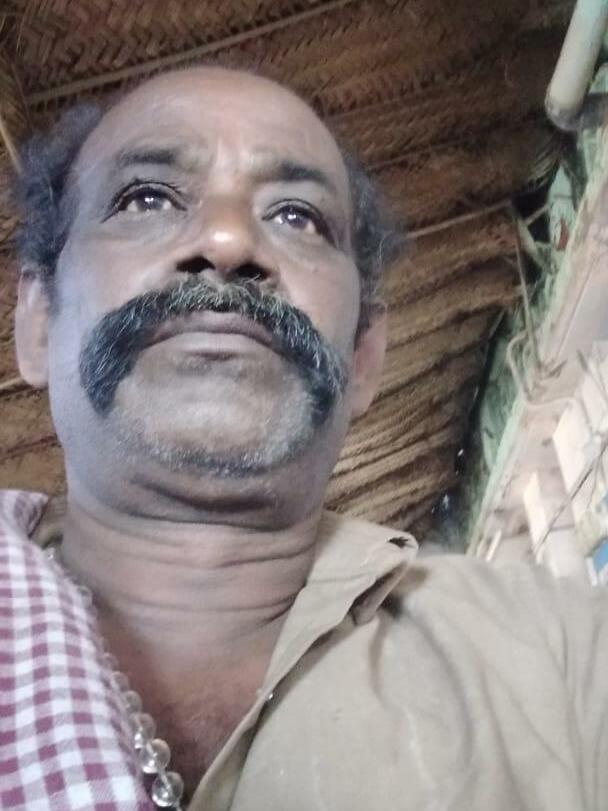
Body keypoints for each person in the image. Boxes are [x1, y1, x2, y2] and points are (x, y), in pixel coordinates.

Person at [1, 66, 606, 811]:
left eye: (297, 217)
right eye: (146, 198)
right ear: (37, 321)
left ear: (364, 356)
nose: (227, 240)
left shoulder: (558, 656)